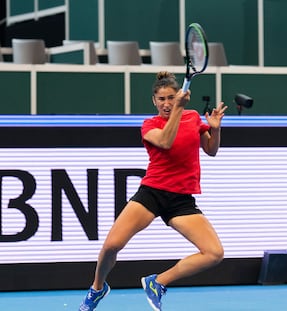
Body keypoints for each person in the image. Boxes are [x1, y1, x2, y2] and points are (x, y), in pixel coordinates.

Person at [78, 71, 227, 311]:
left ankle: (158, 282)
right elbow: (166, 141)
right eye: (162, 99)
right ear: (154, 101)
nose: (167, 104)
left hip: (181, 199)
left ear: (176, 96)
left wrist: (215, 129)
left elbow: (211, 150)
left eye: (171, 98)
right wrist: (179, 108)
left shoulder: (192, 118)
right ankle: (97, 288)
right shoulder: (149, 125)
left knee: (214, 253)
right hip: (152, 193)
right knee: (111, 246)